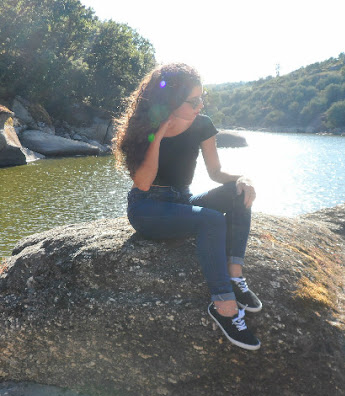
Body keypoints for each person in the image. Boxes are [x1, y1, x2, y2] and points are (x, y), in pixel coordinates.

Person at [112, 63, 262, 350]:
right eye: (193, 100)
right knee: (211, 220)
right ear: (170, 101)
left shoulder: (203, 124)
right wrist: (159, 133)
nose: (199, 105)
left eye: (201, 99)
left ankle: (234, 277)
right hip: (148, 208)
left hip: (182, 200)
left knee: (237, 193)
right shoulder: (142, 127)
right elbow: (143, 183)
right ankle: (224, 307)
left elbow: (216, 173)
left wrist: (242, 178)